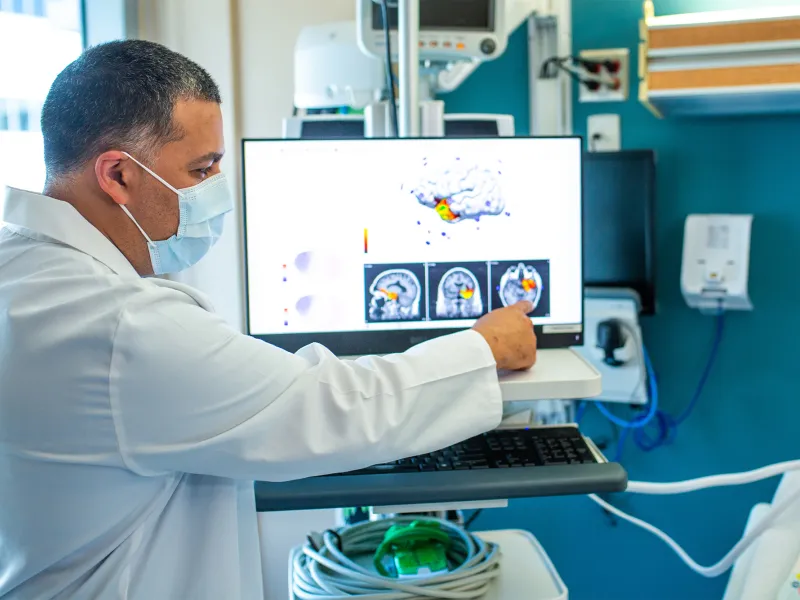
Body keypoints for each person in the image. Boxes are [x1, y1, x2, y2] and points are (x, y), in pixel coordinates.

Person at [0, 40, 537, 599]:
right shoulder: (121, 327)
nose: (216, 191)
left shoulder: (22, 268)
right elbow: (328, 407)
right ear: (117, 175)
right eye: (200, 169)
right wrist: (484, 347)